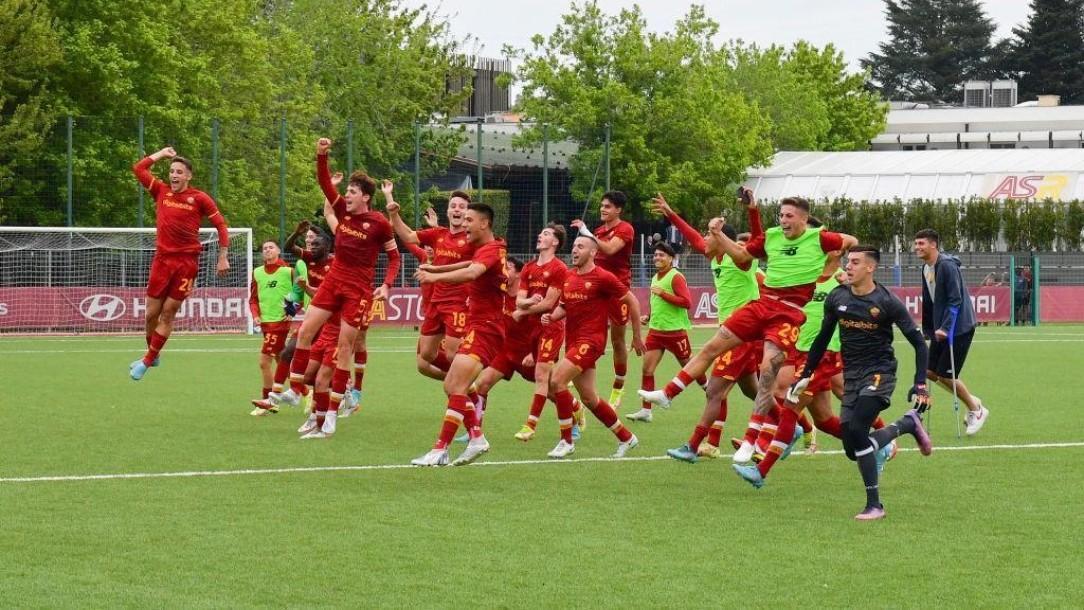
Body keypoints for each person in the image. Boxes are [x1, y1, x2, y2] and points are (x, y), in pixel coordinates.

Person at [640, 194, 857, 485]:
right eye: (781, 215)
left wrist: (838, 252)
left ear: (804, 218)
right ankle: (671, 397)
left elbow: (846, 242)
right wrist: (673, 215)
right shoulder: (722, 254)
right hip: (754, 316)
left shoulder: (755, 257)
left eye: (789, 216)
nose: (783, 220)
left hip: (784, 327)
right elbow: (705, 242)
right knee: (749, 388)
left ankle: (727, 442)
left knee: (724, 388)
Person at [786, 245, 934, 520]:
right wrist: (806, 373)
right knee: (854, 450)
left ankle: (875, 505)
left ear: (870, 267)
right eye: (847, 262)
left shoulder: (887, 302)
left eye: (855, 262)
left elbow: (919, 344)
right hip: (852, 373)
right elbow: (821, 339)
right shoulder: (837, 297)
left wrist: (920, 383)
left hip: (880, 372)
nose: (848, 267)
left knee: (857, 430)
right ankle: (907, 424)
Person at [269, 138, 400, 440]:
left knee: (344, 351)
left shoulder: (378, 223)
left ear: (366, 197)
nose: (347, 196)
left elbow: (393, 257)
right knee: (303, 333)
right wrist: (321, 155)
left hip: (357, 290)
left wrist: (387, 285)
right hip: (333, 282)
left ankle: (330, 417)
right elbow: (325, 184)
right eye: (348, 192)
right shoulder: (342, 213)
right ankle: (296, 388)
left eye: (352, 192)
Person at [652, 194, 764, 460]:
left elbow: (757, 242)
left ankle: (693, 446)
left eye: (710, 236)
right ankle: (788, 426)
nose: (703, 241)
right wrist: (670, 213)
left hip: (742, 334)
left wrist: (752, 210)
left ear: (722, 240)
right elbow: (692, 236)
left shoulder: (741, 259)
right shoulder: (717, 258)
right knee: (753, 390)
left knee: (714, 390)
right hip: (732, 332)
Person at [410, 203, 507, 467]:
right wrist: (435, 269)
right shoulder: (491, 248)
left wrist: (434, 278)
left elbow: (471, 272)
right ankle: (476, 438)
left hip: (486, 328)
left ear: (484, 223)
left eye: (469, 220)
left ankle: (440, 449)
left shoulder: (492, 249)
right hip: (481, 326)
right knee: (452, 385)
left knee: (456, 385)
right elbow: (467, 263)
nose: (464, 225)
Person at [541, 235, 646, 459]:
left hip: (591, 342)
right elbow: (564, 307)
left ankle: (566, 441)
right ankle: (627, 438)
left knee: (557, 381)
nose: (575, 250)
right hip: (573, 342)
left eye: (581, 246)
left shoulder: (603, 277)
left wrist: (637, 335)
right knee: (589, 399)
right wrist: (551, 317)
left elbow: (633, 302)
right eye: (574, 246)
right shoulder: (569, 277)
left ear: (593, 253)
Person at [129, 147, 230, 380]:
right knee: (150, 316)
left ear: (188, 176)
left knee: (168, 313)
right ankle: (152, 356)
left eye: (178, 172)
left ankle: (146, 360)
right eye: (171, 171)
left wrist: (223, 255)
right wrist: (161, 154)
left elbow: (221, 226)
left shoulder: (200, 198)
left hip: (186, 263)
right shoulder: (161, 191)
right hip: (162, 261)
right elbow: (139, 168)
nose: (173, 175)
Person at [387, 191, 475, 382]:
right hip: (436, 303)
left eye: (462, 206)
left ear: (469, 213)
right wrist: (394, 214)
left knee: (452, 354)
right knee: (425, 356)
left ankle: (467, 389)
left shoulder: (472, 239)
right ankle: (464, 382)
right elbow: (409, 236)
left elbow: (477, 267)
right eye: (453, 206)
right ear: (448, 211)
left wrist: (437, 273)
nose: (457, 209)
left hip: (458, 303)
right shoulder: (438, 234)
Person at [913, 229, 989, 436]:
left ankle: (976, 410)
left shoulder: (946, 266)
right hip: (940, 328)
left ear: (933, 245)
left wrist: (946, 328)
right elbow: (928, 301)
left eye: (921, 244)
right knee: (929, 371)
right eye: (916, 244)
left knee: (946, 374)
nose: (917, 247)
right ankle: (972, 400)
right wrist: (929, 328)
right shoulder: (926, 268)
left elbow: (956, 299)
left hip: (959, 328)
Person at [570, 191, 635, 408]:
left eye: (608, 206)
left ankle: (619, 385)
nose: (603, 209)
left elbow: (609, 249)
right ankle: (575, 368)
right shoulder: (598, 231)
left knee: (617, 340)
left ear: (618, 210)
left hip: (617, 289)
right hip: (596, 289)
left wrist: (588, 234)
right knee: (585, 333)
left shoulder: (625, 229)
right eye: (602, 206)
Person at [625, 241, 702, 423]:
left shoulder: (676, 277)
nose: (657, 258)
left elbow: (686, 302)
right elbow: (658, 303)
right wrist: (649, 317)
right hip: (656, 332)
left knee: (691, 368)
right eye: (656, 255)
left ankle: (710, 390)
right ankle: (646, 411)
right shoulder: (655, 277)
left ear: (671, 258)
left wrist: (663, 294)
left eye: (662, 255)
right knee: (647, 369)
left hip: (675, 332)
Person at [248, 241, 297, 408]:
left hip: (280, 324)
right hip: (265, 324)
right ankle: (304, 391)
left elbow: (298, 293)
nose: (267, 250)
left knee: (264, 362)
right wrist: (255, 315)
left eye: (271, 247)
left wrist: (291, 311)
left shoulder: (288, 271)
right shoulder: (257, 273)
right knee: (281, 359)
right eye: (264, 248)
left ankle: (268, 401)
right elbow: (253, 299)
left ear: (278, 251)